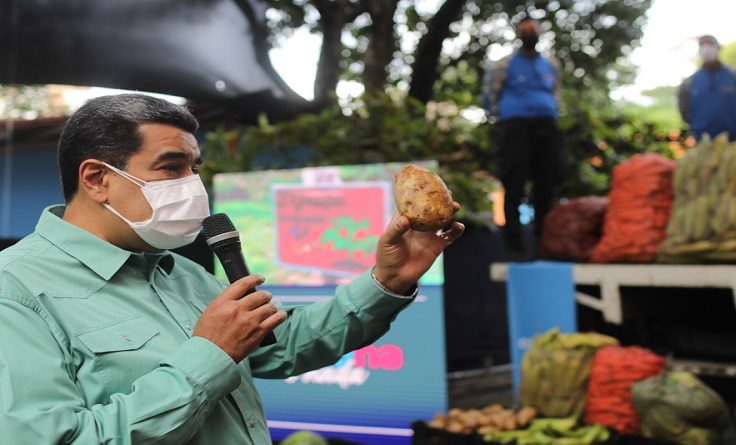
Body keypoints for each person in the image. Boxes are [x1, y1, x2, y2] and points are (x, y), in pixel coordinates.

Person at [0, 94, 464, 444]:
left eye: (194, 168)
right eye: (171, 168)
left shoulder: (176, 271)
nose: (192, 186)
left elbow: (278, 349)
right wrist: (209, 356)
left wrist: (388, 281)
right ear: (97, 180)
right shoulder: (15, 289)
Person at [483, 16, 563, 261]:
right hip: (515, 128)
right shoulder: (504, 65)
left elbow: (556, 93)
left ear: (540, 33)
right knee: (514, 184)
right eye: (525, 30)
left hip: (546, 127)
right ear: (518, 34)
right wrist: (503, 121)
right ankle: (514, 245)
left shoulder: (551, 64)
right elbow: (490, 96)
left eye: (533, 29)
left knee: (546, 186)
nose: (530, 33)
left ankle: (544, 244)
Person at [678, 35, 736, 142]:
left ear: (717, 48)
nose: (706, 49)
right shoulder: (689, 83)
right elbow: (685, 111)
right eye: (703, 45)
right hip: (705, 143)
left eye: (710, 44)